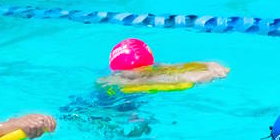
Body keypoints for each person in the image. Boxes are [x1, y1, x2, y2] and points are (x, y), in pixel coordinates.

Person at [96, 38, 229, 90]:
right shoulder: (114, 82)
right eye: (143, 68)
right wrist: (194, 78)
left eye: (149, 66)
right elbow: (163, 81)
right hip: (108, 112)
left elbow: (170, 68)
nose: (148, 70)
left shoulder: (136, 72)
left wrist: (206, 65)